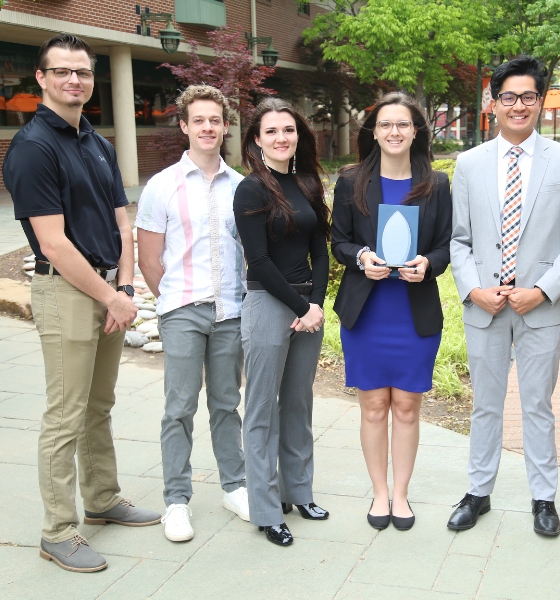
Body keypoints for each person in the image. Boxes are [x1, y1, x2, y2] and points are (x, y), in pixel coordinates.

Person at [2, 34, 160, 573]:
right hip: (67, 292)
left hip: (109, 291)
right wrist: (110, 295)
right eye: (62, 71)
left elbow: (121, 221)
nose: (75, 80)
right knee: (65, 415)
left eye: (84, 72)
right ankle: (57, 531)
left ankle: (103, 499)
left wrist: (126, 288)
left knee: (98, 405)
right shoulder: (32, 148)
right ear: (41, 79)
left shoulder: (96, 141)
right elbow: (52, 243)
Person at [448, 56, 560, 536]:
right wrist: (473, 289)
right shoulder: (469, 164)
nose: (518, 105)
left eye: (528, 96)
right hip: (485, 307)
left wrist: (543, 291)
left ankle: (543, 498)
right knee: (485, 405)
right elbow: (459, 240)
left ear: (540, 102)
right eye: (508, 96)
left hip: (540, 309)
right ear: (493, 103)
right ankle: (478, 492)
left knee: (537, 406)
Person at [331, 92, 452, 532]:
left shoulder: (436, 184)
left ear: (416, 131)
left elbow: (446, 246)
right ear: (375, 131)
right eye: (386, 124)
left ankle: (401, 494)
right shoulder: (351, 182)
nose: (394, 131)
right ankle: (379, 493)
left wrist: (428, 263)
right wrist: (361, 256)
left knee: (406, 406)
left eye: (403, 124)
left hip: (413, 313)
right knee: (373, 406)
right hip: (367, 312)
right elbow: (339, 242)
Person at [135, 85, 249, 543]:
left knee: (226, 404)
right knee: (179, 408)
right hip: (183, 310)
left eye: (214, 120)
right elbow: (148, 260)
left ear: (225, 126)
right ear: (184, 125)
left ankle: (235, 487)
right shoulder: (162, 186)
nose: (207, 127)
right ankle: (176, 501)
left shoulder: (241, 186)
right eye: (198, 120)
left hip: (230, 312)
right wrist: (175, 302)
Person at [234, 98, 330, 547]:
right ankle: (267, 510)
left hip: (307, 307)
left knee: (297, 403)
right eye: (271, 131)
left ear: (298, 135)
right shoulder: (251, 190)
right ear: (257, 139)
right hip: (269, 303)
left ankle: (299, 492)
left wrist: (315, 304)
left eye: (288, 130)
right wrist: (299, 307)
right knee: (261, 409)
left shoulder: (307, 183)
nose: (281, 138)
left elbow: (320, 251)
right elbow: (258, 261)